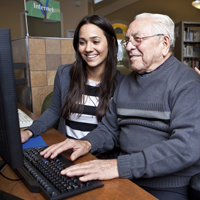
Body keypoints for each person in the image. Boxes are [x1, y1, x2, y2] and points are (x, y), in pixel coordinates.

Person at [40, 13, 200, 200]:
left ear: (164, 43)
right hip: (125, 175)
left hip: (166, 186)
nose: (129, 47)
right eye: (128, 41)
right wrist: (87, 143)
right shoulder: (127, 83)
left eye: (137, 39)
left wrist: (118, 166)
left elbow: (185, 147)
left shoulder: (188, 83)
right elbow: (109, 128)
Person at [21, 14, 125, 158]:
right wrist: (29, 131)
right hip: (66, 153)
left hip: (100, 158)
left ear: (111, 42)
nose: (88, 48)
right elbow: (54, 111)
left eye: (95, 41)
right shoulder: (64, 74)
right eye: (82, 42)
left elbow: (116, 131)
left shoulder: (123, 83)